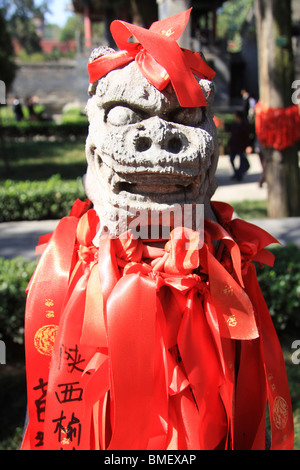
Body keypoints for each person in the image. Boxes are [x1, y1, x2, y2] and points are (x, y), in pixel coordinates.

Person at [228, 110, 251, 181]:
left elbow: (247, 137)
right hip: (234, 146)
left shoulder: (244, 126)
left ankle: (239, 175)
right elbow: (232, 136)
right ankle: (236, 173)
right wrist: (229, 144)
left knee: (241, 161)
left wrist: (248, 146)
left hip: (241, 146)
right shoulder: (234, 125)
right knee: (231, 159)